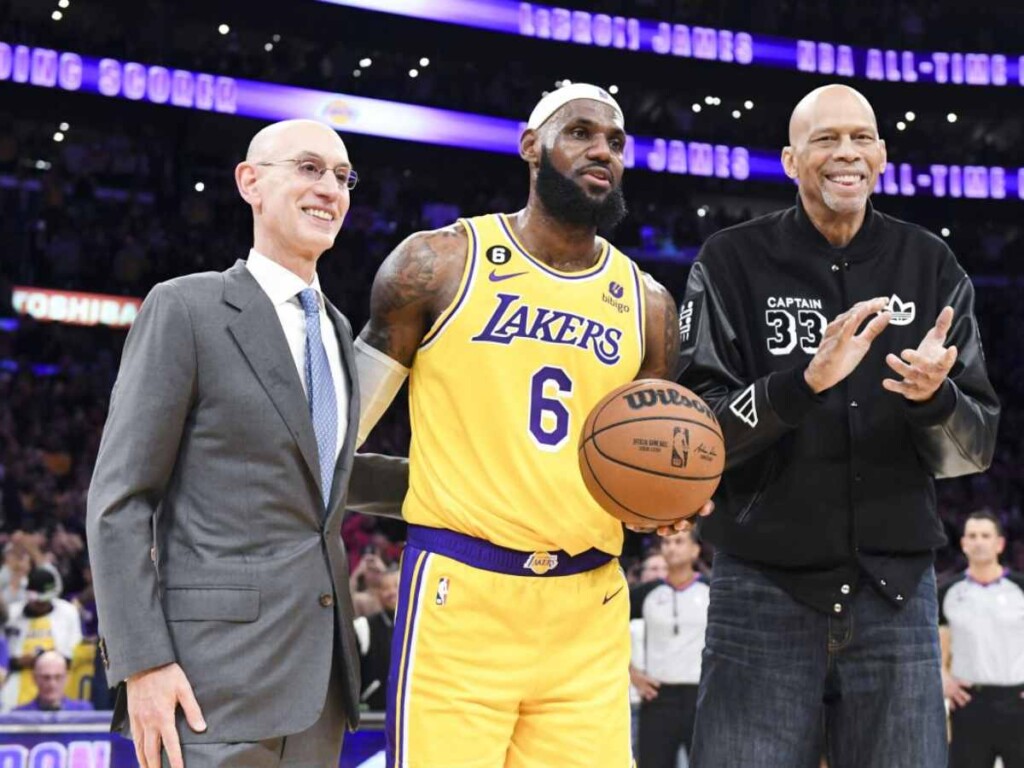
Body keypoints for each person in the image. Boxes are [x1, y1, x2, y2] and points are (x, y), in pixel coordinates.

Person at [356, 83, 707, 767]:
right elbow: (339, 426)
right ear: (530, 147)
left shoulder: (649, 303)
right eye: (579, 133)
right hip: (463, 590)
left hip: (590, 602)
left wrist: (666, 503)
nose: (601, 149)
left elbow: (654, 465)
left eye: (614, 141)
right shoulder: (437, 263)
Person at [676, 84, 1000, 768]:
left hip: (897, 596)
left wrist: (935, 400)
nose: (845, 153)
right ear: (791, 160)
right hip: (761, 593)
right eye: (825, 140)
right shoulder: (731, 261)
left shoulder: (931, 264)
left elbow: (973, 450)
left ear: (882, 155)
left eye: (860, 138)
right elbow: (696, 432)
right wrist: (803, 384)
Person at [86, 119, 408, 768]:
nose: (331, 189)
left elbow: (327, 476)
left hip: (320, 684)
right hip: (210, 681)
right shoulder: (186, 308)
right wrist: (143, 664)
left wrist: (499, 474)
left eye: (343, 177)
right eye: (310, 169)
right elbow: (119, 501)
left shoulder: (338, 331)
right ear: (250, 183)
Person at [939, 510, 1024, 768]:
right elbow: (937, 647)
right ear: (963, 543)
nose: (978, 542)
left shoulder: (1020, 588)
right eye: (972, 536)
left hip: (1017, 700)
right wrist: (943, 677)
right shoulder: (948, 592)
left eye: (985, 535)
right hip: (969, 701)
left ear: (999, 543)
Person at [629, 530, 708, 768]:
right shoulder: (647, 593)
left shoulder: (712, 589)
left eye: (679, 541)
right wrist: (631, 673)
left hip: (702, 696)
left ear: (695, 550)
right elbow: (608, 625)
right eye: (666, 542)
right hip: (657, 696)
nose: (671, 547)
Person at [2, 566, 82, 710]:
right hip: (16, 686)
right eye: (37, 601)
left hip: (55, 684)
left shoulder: (67, 612)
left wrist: (44, 658)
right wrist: (21, 661)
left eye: (44, 601)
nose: (40, 605)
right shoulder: (12, 614)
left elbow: (74, 652)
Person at [353, 566, 400, 711]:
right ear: (377, 593)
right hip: (372, 717)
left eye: (397, 586)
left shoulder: (421, 627)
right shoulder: (363, 627)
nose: (391, 592)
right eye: (385, 588)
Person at [13, 650, 93, 712]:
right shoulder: (19, 715)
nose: (52, 684)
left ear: (66, 678)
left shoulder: (83, 712)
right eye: (46, 677)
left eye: (58, 677)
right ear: (34, 678)